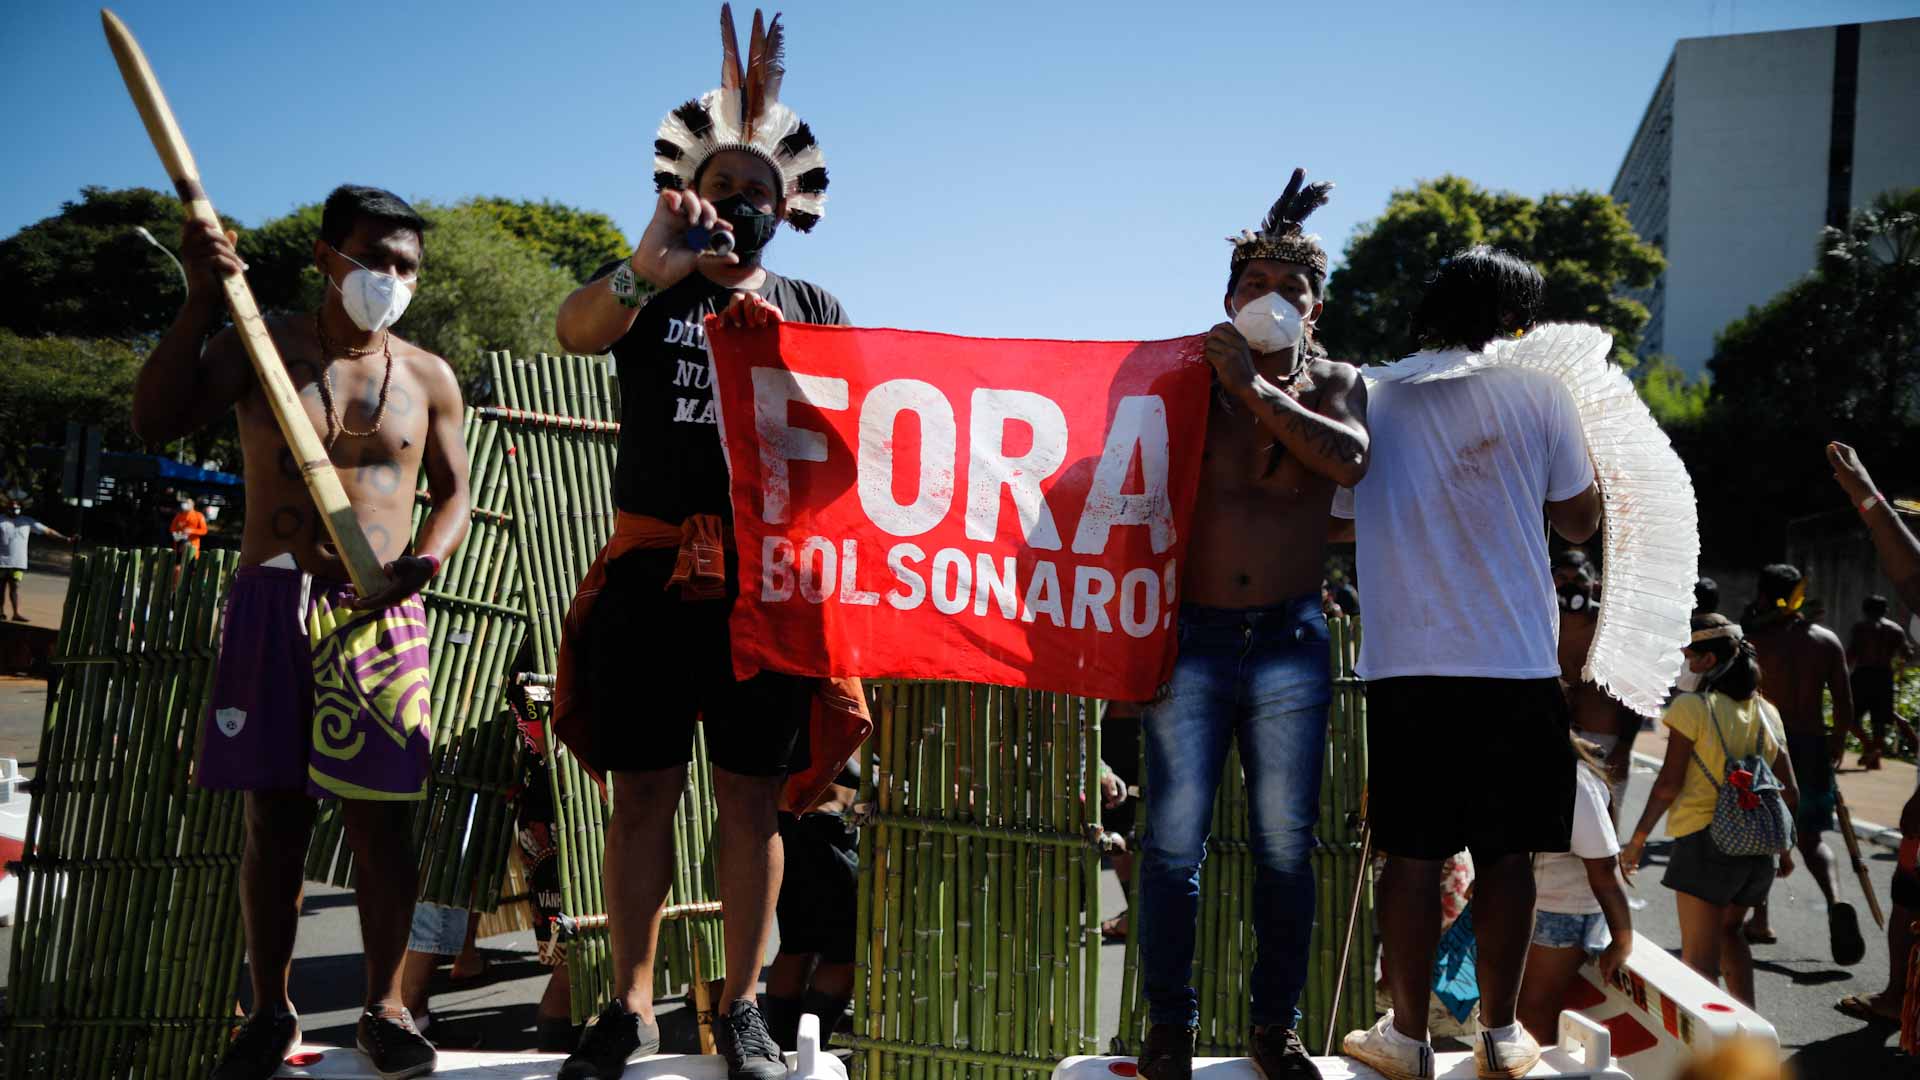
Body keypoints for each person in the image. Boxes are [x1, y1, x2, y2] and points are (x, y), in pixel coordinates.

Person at [547, 10, 845, 1079]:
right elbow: (574, 331)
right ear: (690, 193)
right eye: (722, 188)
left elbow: (848, 443)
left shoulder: (814, 304)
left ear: (786, 208)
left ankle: (743, 1004)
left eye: (757, 191)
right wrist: (647, 261)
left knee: (752, 797)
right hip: (651, 571)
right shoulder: (648, 279)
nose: (739, 205)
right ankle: (627, 1006)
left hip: (765, 582)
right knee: (642, 792)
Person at [134, 184, 471, 1080]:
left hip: (381, 615)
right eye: (375, 259)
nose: (391, 279)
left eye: (406, 267)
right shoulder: (264, 345)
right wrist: (204, 296)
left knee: (381, 824)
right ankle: (269, 1009)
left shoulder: (430, 375)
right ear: (328, 258)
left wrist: (423, 566)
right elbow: (155, 419)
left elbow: (455, 496)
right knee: (272, 820)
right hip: (271, 598)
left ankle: (386, 1006)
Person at [1338, 246, 1601, 1080]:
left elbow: (1339, 514)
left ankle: (1407, 1038)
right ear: (1516, 322)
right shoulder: (1543, 394)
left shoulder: (1372, 395)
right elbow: (1580, 523)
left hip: (1407, 665)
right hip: (1517, 663)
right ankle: (1501, 1035)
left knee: (1411, 857)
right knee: (1511, 855)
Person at [1134, 167, 1369, 1080]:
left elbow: (1348, 461)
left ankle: (1276, 1028)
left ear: (1317, 309)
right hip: (1189, 635)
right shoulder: (1183, 382)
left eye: (1290, 293)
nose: (1271, 303)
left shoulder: (1340, 384)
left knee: (1284, 848)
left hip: (1290, 640)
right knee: (1170, 846)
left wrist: (1258, 390)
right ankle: (1170, 1026)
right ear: (1226, 299)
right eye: (1254, 289)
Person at [1621, 615, 1799, 1007]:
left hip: (1705, 843)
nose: (1682, 663)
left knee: (1698, 963)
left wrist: (1636, 841)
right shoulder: (1767, 712)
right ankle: (1748, 1030)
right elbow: (1790, 792)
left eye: (1686, 655)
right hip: (1758, 850)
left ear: (1705, 661)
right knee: (1731, 935)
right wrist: (1783, 850)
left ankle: (1711, 1059)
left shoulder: (1692, 708)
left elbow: (1668, 785)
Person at [1825, 442, 1920, 1029]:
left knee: (1910, 888)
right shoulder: (1888, 628)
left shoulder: (1866, 629)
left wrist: (1867, 495)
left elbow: (1912, 574)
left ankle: (1898, 999)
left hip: (1871, 679)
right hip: (1884, 681)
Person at [1736, 564, 1865, 963]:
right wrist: (1837, 744)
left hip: (1764, 746)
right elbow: (1845, 705)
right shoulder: (1825, 640)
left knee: (1760, 834)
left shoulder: (1753, 641)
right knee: (1811, 838)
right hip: (1810, 746)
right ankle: (1835, 899)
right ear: (1799, 594)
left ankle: (1760, 919)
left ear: (1762, 594)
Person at [1515, 737, 1633, 1044]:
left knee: (1532, 1014)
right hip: (1537, 906)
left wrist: (1622, 940)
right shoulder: (1538, 768)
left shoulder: (1574, 779)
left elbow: (1604, 869)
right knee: (1523, 1012)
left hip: (1559, 913)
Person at [763, 763, 860, 1051]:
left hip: (792, 820)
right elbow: (837, 759)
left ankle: (786, 1051)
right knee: (841, 956)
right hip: (819, 822)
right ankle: (804, 1054)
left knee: (797, 945)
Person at [1556, 562, 1637, 822]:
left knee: (1604, 825)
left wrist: (1624, 747)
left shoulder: (1612, 628)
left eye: (1578, 578)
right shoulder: (1541, 623)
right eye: (1561, 577)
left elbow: (1632, 689)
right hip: (1554, 739)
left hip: (1605, 742)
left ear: (1595, 584)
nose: (1569, 585)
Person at [1848, 594, 1916, 766]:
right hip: (1884, 676)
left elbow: (1851, 654)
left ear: (1865, 610)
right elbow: (1907, 655)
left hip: (1862, 675)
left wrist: (1840, 674)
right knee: (1879, 721)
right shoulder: (1895, 630)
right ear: (1885, 610)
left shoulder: (1860, 628)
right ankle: (1874, 753)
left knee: (1850, 717)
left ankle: (1870, 747)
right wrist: (1907, 652)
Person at [1, 501, 71, 622]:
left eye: (16, 508)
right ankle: (1, 612)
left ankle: (16, 613)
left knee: (15, 586)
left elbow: (48, 531)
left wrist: (65, 539)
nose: (14, 510)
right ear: (6, 509)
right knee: (0, 587)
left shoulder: (27, 521)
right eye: (11, 508)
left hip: (18, 563)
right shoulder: (1, 520)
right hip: (1, 562)